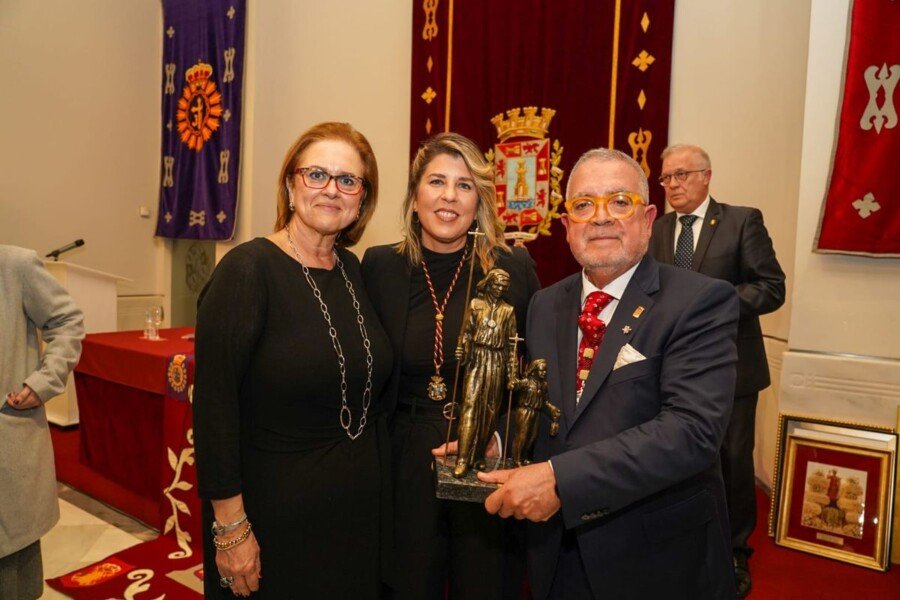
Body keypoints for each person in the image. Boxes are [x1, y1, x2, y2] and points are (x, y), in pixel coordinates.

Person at [478, 148, 740, 599]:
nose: (600, 217)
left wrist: (561, 479)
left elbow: (691, 431)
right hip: (555, 553)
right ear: (566, 226)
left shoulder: (700, 301)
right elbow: (548, 409)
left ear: (649, 216)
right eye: (583, 205)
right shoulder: (545, 304)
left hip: (654, 561)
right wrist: (498, 440)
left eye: (620, 201)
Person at [193, 122, 394, 598]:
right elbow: (214, 409)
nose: (331, 190)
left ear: (362, 199)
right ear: (290, 184)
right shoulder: (246, 271)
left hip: (354, 519)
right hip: (273, 521)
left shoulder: (352, 270)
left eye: (348, 180)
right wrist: (231, 528)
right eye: (316, 174)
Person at [361, 132, 539, 600]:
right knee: (407, 585)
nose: (448, 196)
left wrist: (498, 436)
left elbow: (536, 371)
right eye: (436, 181)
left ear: (478, 199)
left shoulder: (512, 268)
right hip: (403, 458)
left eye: (464, 185)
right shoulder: (379, 267)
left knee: (484, 584)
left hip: (486, 458)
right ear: (414, 194)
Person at [649, 143, 785, 597]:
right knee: (673, 456)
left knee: (731, 461)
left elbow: (771, 288)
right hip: (669, 368)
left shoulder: (741, 220)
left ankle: (734, 553)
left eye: (682, 175)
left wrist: (711, 305)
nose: (673, 185)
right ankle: (683, 540)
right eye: (666, 178)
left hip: (733, 368)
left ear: (707, 176)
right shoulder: (657, 229)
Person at [1, 245, 84, 600]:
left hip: (6, 457)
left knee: (12, 578)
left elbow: (68, 322)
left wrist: (42, 382)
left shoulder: (13, 265)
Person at [453, 268, 518, 478]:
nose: (500, 289)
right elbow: (466, 333)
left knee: (491, 411)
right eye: (497, 284)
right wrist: (463, 348)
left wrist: (512, 373)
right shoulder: (475, 305)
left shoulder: (508, 311)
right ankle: (463, 458)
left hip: (497, 361)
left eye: (504, 286)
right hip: (477, 358)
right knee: (470, 407)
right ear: (489, 283)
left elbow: (511, 345)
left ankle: (478, 455)